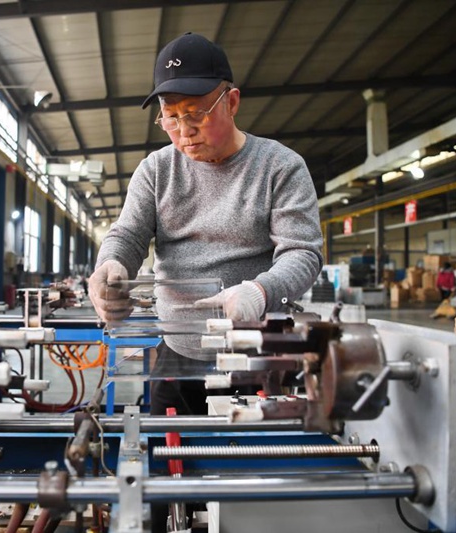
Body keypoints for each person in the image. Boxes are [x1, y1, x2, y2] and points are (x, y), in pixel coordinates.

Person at [88, 32, 323, 415]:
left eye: (196, 113)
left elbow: (303, 253)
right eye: (171, 117)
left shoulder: (279, 166)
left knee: (253, 463)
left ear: (231, 102)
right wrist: (111, 264)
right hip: (177, 352)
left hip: (256, 356)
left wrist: (258, 294)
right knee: (167, 456)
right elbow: (128, 234)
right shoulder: (156, 170)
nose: (184, 130)